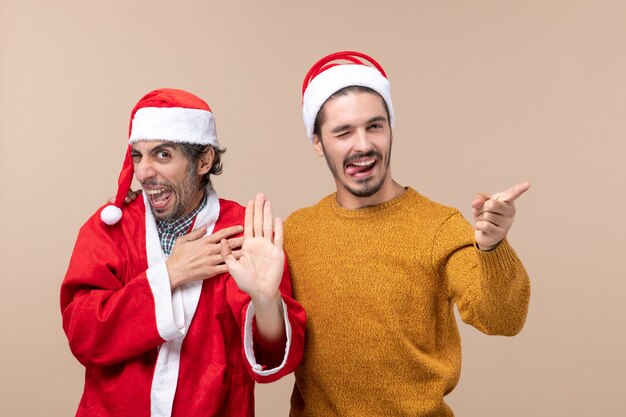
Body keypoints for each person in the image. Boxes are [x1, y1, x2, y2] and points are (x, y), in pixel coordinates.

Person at [283, 51, 531, 416]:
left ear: (390, 129)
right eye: (343, 132)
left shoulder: (438, 226)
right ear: (318, 142)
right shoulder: (296, 233)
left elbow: (503, 320)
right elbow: (267, 345)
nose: (363, 144)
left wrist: (492, 247)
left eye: (375, 126)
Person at [60, 88, 305, 417]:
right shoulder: (109, 230)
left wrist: (265, 299)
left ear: (203, 161)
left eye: (162, 155)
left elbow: (271, 358)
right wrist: (170, 275)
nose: (144, 171)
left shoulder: (242, 234)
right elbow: (84, 334)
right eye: (138, 155)